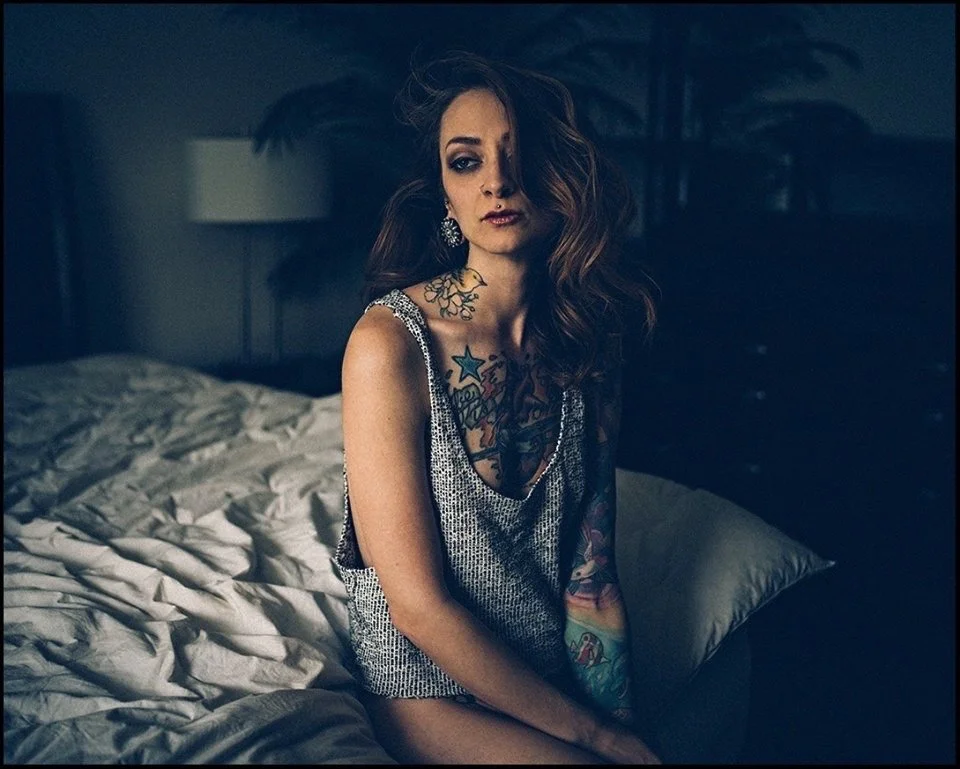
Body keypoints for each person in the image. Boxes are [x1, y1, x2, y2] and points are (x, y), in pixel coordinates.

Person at [335, 51, 660, 764]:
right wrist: (593, 735)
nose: (497, 181)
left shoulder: (590, 346)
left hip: (539, 669)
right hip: (423, 682)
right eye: (465, 160)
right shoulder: (388, 345)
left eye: (523, 153)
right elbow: (418, 608)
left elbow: (592, 578)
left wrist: (623, 728)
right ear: (445, 198)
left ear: (566, 175)